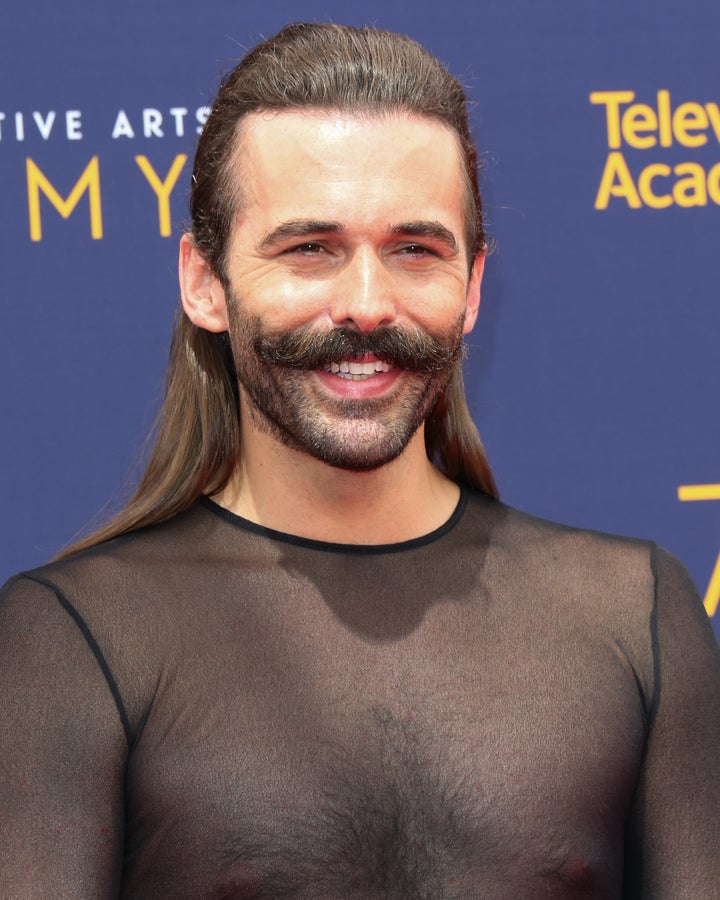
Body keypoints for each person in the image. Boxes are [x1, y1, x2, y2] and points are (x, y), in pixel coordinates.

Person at [1, 22, 719, 899]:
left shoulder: (636, 613)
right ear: (205, 283)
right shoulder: (73, 643)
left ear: (474, 288)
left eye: (415, 249)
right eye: (311, 249)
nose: (368, 303)